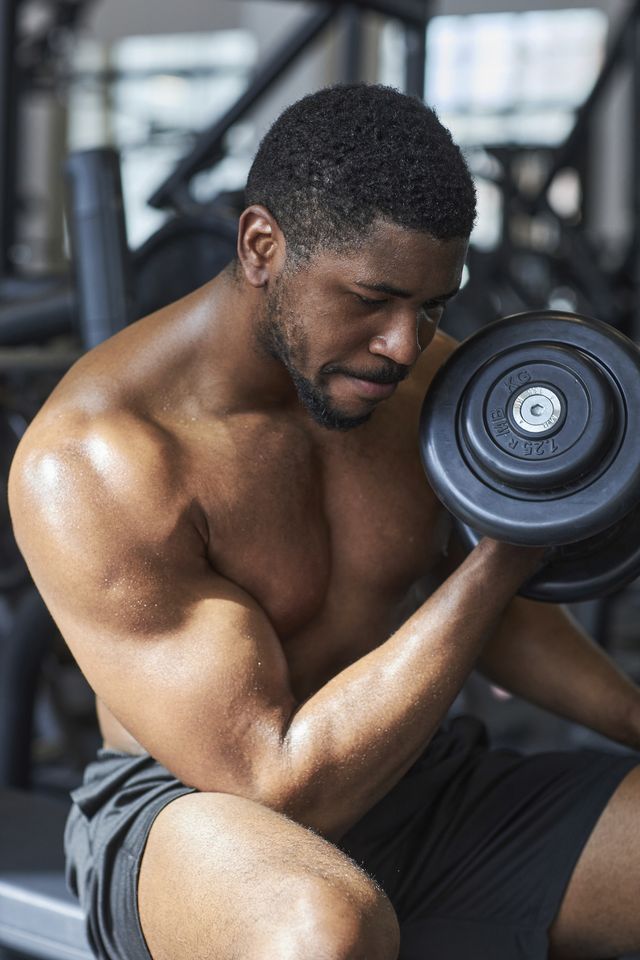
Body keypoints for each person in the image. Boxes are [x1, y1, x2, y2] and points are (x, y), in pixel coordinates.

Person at [8, 83, 640, 960]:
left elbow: (500, 623)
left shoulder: (418, 388)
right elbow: (275, 780)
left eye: (432, 306)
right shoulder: (98, 460)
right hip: (199, 813)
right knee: (321, 930)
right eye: (372, 298)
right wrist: (502, 555)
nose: (405, 345)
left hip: (420, 780)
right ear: (262, 245)